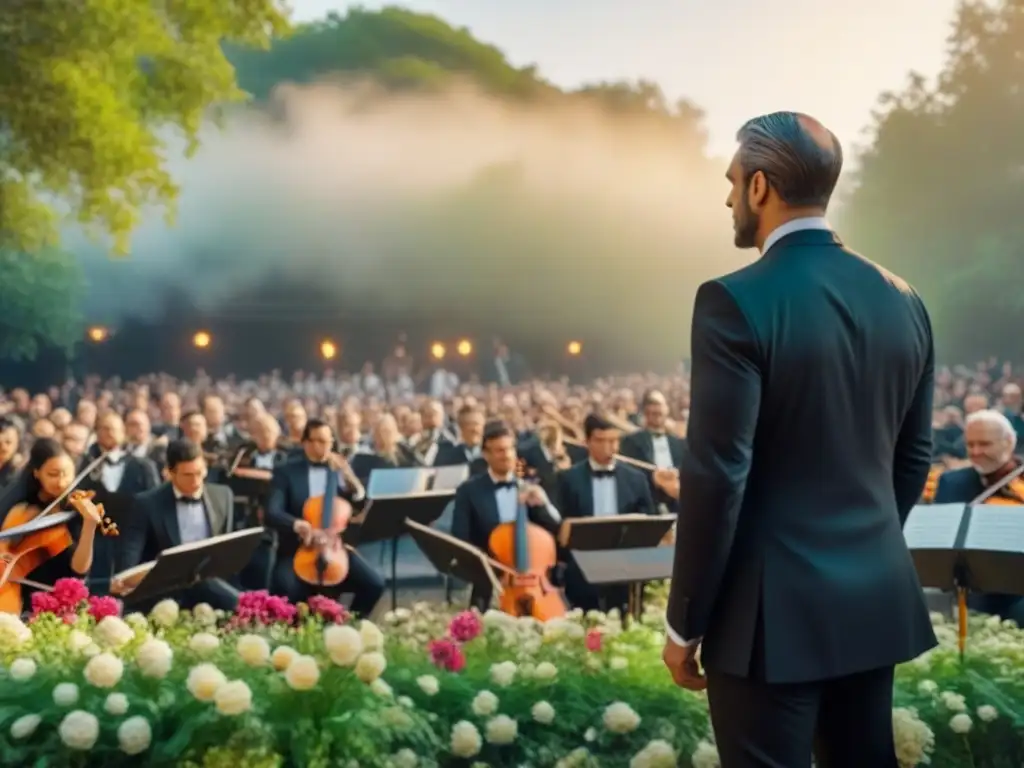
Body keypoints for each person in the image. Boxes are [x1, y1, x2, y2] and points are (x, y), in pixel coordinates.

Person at [661, 112, 936, 767]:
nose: (727, 198)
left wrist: (684, 621)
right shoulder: (906, 299)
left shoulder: (732, 300)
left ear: (761, 187)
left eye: (732, 182)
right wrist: (859, 547)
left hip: (765, 615)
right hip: (871, 595)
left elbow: (719, 473)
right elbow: (914, 455)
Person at [113, 439, 238, 611]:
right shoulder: (147, 503)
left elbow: (227, 551)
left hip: (212, 585)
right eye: (187, 475)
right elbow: (130, 552)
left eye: (200, 473)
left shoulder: (223, 495)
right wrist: (125, 579)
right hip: (165, 590)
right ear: (170, 473)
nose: (196, 481)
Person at [0, 438, 99, 613]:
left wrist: (89, 526)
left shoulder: (76, 511)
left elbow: (79, 570)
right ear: (36, 473)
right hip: (25, 604)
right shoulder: (23, 510)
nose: (61, 482)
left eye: (67, 474)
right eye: (53, 474)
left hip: (65, 603)